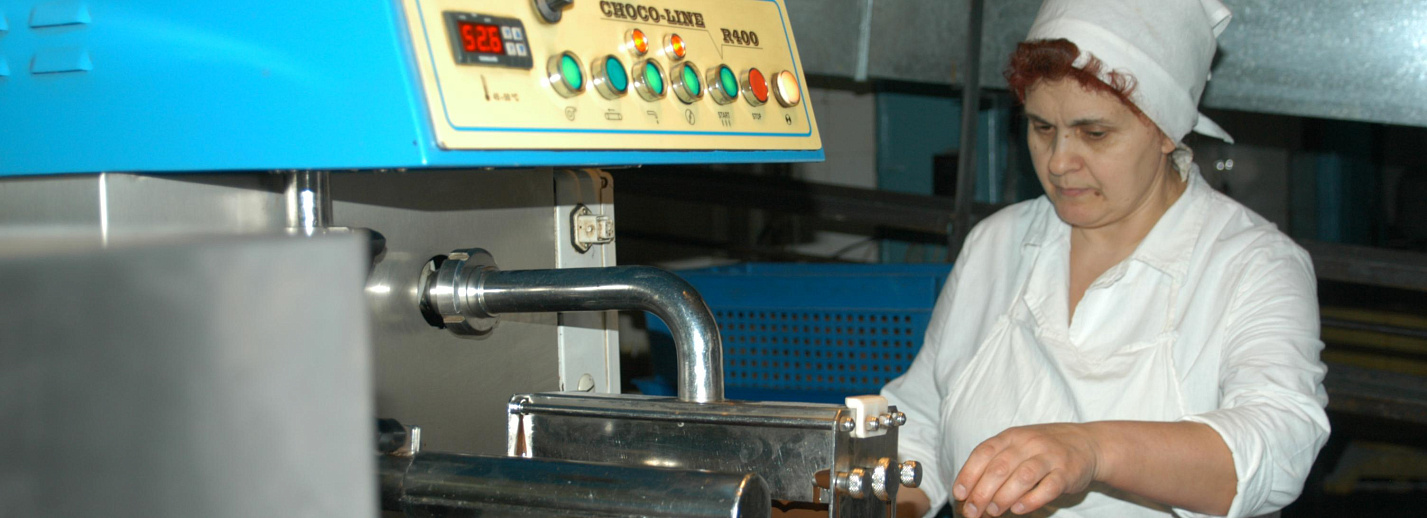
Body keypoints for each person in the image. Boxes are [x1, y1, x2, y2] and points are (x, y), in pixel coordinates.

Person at [882, 0, 1330, 517]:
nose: (1058, 162)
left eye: (1094, 134)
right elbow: (922, 421)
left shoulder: (1253, 264)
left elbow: (1280, 444)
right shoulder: (997, 244)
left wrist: (1091, 449)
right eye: (1042, 128)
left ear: (1166, 129)